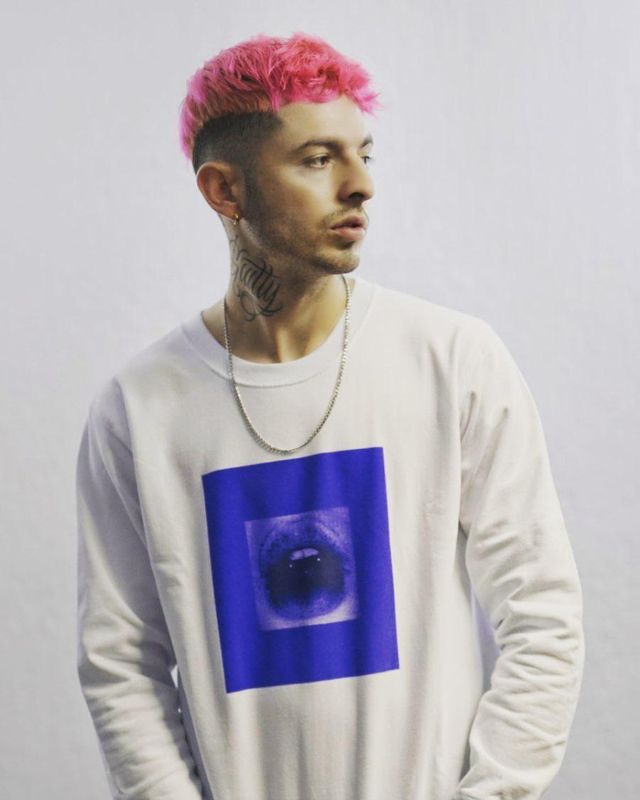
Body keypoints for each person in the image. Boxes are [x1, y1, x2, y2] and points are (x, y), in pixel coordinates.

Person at [75, 31, 585, 800]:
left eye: (363, 154)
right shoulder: (139, 411)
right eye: (318, 160)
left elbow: (542, 612)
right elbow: (120, 663)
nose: (360, 185)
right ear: (225, 191)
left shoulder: (453, 361)